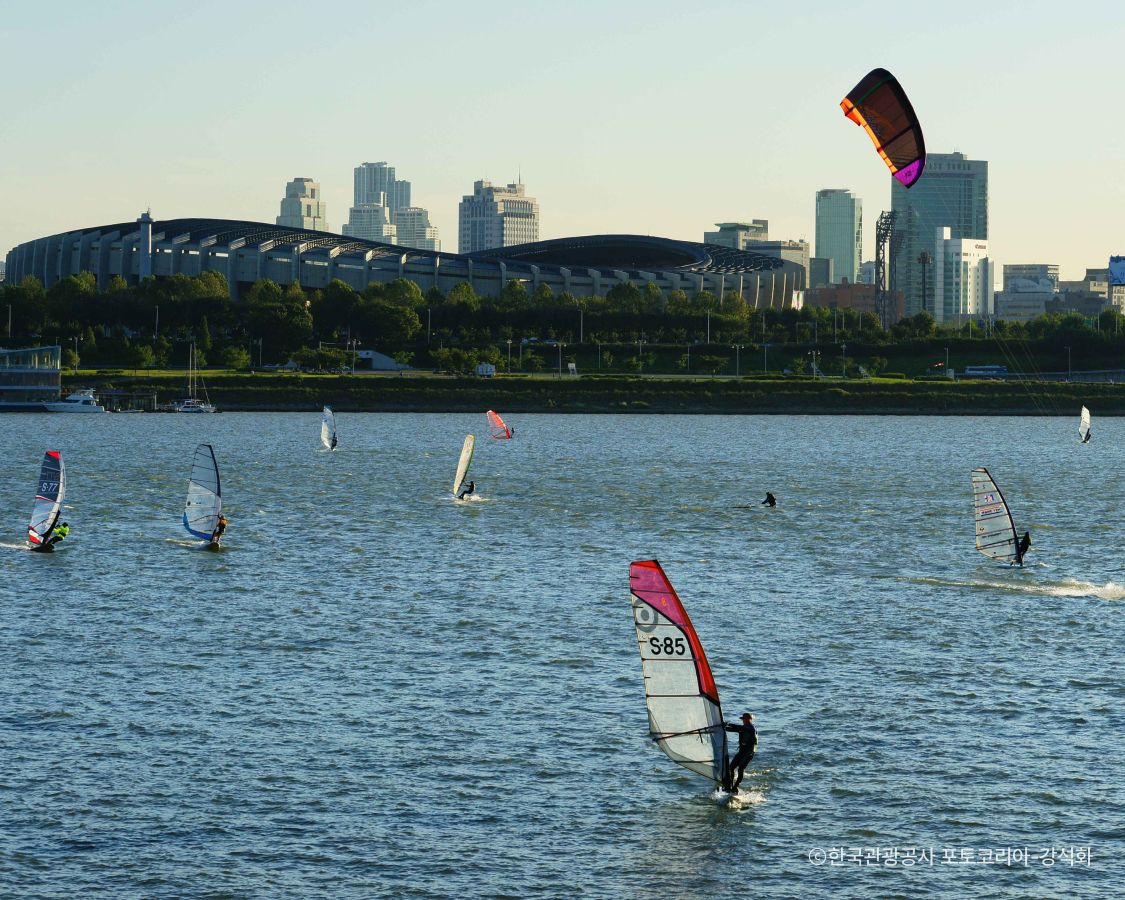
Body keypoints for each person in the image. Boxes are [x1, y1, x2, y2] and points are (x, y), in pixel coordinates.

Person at [723, 712, 758, 793]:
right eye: (744, 719)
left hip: (749, 752)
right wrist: (724, 727)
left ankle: (735, 786)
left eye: (746, 719)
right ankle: (730, 785)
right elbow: (733, 729)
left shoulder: (752, 728)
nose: (745, 721)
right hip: (742, 751)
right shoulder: (743, 727)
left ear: (750, 720)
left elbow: (740, 728)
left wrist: (729, 724)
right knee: (731, 767)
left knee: (741, 768)